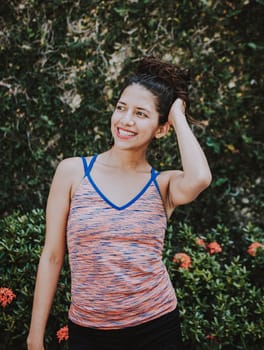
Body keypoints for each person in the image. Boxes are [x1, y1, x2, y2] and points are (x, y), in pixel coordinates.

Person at [27, 56, 212, 350]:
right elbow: (52, 256)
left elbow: (200, 178)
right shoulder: (73, 172)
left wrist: (177, 115)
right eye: (121, 108)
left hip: (156, 325)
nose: (125, 120)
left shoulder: (163, 185)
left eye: (141, 113)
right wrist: (35, 335)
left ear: (161, 129)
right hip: (89, 330)